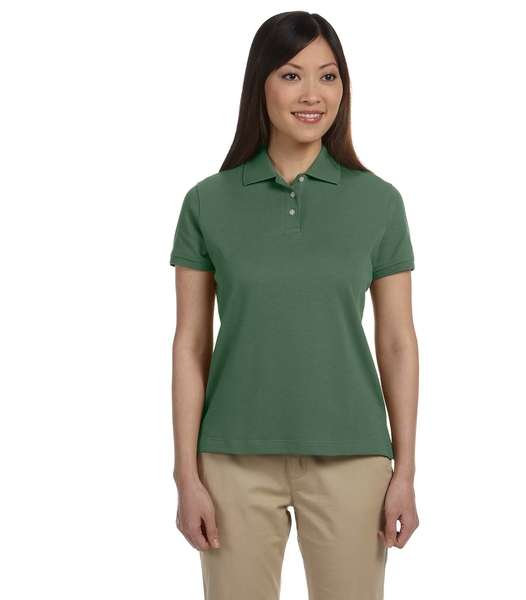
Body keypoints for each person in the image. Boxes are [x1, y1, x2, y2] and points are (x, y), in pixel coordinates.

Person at [169, 11, 419, 600]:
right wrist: (186, 475)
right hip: (231, 459)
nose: (313, 94)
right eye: (291, 75)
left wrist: (405, 471)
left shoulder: (379, 202)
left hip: (353, 456)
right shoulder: (207, 202)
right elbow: (190, 345)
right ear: (260, 84)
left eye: (328, 77)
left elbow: (397, 342)